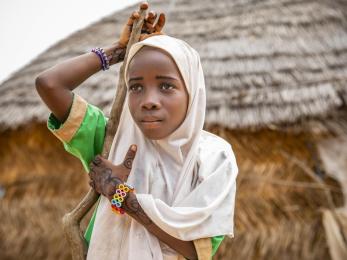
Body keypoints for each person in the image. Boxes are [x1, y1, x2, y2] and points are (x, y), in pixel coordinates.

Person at [35, 2, 238, 259]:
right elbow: (49, 84)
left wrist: (119, 193)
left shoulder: (214, 158)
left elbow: (197, 250)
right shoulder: (111, 138)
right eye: (136, 87)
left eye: (166, 86)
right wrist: (121, 50)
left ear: (192, 92)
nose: (148, 100)